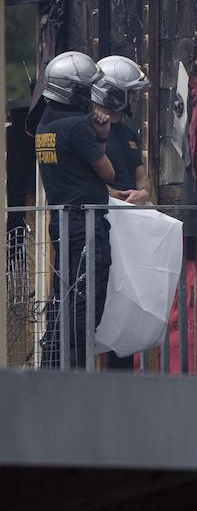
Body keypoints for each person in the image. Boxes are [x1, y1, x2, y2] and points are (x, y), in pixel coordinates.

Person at [36, 55, 116, 368]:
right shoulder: (78, 127)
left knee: (63, 298)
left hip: (62, 221)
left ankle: (52, 369)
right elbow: (108, 173)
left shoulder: (45, 124)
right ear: (77, 92)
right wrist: (102, 135)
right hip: (86, 224)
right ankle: (74, 377)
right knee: (85, 303)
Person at [94, 55, 152, 205]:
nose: (136, 98)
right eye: (132, 93)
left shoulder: (129, 133)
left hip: (132, 213)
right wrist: (115, 196)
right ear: (115, 93)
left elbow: (140, 176)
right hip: (105, 211)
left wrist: (143, 193)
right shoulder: (87, 130)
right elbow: (84, 177)